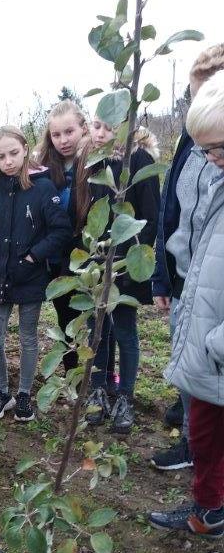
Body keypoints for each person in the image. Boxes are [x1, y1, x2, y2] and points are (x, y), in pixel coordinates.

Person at [149, 69, 224, 553]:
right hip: (207, 327)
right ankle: (209, 509)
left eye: (217, 147)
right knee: (203, 429)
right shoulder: (215, 175)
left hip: (218, 338)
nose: (210, 157)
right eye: (203, 149)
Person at [0, 126, 72, 421]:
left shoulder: (43, 188)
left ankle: (23, 395)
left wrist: (34, 256)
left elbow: (61, 230)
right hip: (0, 277)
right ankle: (1, 391)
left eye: (13, 153)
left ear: (25, 149)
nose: (8, 161)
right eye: (1, 156)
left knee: (27, 338)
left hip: (31, 277)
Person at [81, 113, 160, 434]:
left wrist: (128, 264)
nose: (99, 133)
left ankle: (125, 396)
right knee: (96, 330)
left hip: (125, 266)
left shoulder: (140, 161)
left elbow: (150, 219)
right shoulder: (96, 162)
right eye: (95, 125)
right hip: (97, 264)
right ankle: (99, 388)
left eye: (108, 127)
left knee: (125, 331)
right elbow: (91, 215)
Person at [36, 101, 90, 373]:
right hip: (58, 258)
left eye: (69, 132)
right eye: (56, 135)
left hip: (90, 256)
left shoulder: (96, 162)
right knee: (66, 316)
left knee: (95, 318)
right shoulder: (43, 168)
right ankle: (73, 374)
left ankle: (102, 374)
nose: (63, 140)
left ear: (83, 127)